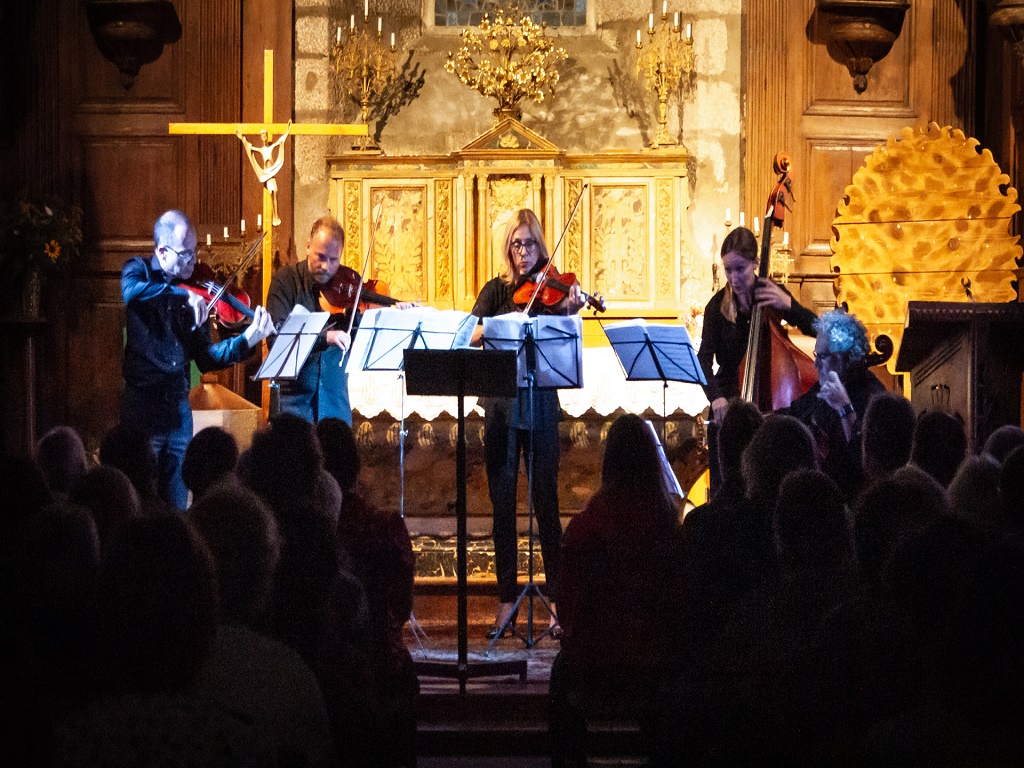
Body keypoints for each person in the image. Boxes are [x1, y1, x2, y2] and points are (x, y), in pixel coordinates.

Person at [470, 208, 585, 639]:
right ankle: (505, 603)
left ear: (541, 244)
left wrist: (570, 311)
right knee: (502, 509)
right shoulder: (497, 291)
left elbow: (563, 343)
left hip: (539, 405)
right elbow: (470, 330)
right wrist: (502, 327)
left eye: (530, 244)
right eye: (516, 244)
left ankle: (556, 603)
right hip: (500, 407)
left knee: (547, 506)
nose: (523, 253)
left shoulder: (556, 290)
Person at [121, 210, 273, 511]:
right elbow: (131, 294)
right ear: (162, 251)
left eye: (195, 252)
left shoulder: (198, 291)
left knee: (177, 504)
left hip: (179, 409)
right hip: (142, 407)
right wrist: (181, 295)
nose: (193, 261)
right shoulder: (137, 271)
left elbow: (206, 359)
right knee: (139, 503)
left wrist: (247, 340)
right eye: (186, 253)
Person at [697, 226, 817, 495]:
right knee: (724, 473)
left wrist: (789, 305)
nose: (733, 277)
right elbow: (703, 360)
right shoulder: (716, 307)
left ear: (755, 263)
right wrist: (715, 397)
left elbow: (819, 330)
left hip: (771, 403)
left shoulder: (772, 296)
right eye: (728, 270)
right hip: (730, 399)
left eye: (739, 269)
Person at [782, 308, 887, 500]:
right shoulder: (823, 388)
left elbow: (870, 464)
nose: (816, 364)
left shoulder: (875, 397)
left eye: (822, 356)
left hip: (851, 503)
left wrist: (844, 408)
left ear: (845, 356)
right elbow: (793, 413)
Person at [265, 216, 355, 425]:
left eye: (333, 260)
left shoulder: (348, 288)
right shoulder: (285, 281)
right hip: (293, 404)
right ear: (307, 247)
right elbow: (276, 339)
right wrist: (325, 337)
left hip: (335, 404)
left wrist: (394, 307)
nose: (326, 266)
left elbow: (359, 333)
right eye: (320, 256)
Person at [237, 122, 291, 227]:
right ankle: (274, 216)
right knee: (271, 192)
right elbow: (249, 147)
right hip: (266, 174)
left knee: (275, 192)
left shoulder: (270, 148)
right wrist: (242, 137)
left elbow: (282, 140)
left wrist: (288, 128)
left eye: (265, 135)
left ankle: (276, 215)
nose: (264, 138)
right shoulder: (261, 150)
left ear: (266, 136)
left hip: (272, 172)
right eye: (262, 136)